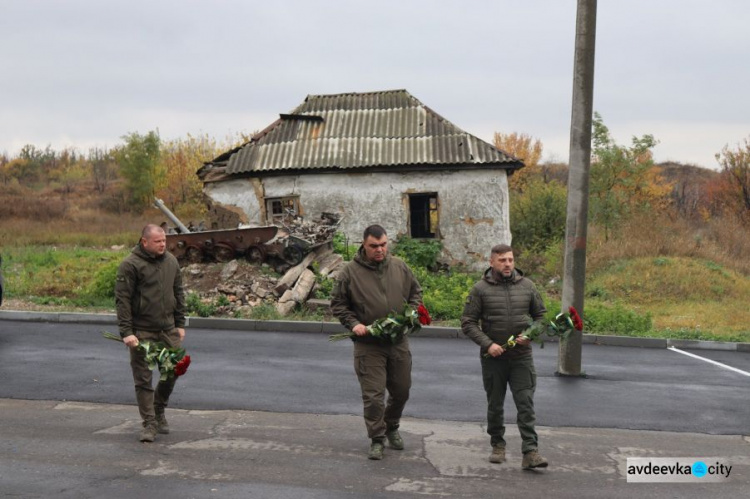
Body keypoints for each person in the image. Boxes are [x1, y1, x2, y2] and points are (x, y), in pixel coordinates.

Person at [331, 224, 422, 460]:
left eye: (383, 245)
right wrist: (354, 325)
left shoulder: (399, 266)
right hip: (368, 343)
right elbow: (339, 305)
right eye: (374, 246)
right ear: (364, 244)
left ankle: (391, 426)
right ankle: (377, 438)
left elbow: (415, 293)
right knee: (373, 396)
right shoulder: (349, 272)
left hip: (397, 341)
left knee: (402, 391)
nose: (380, 250)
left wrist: (410, 314)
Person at [461, 244, 549, 470]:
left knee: (526, 403)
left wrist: (531, 334)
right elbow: (468, 323)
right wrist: (488, 344)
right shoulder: (480, 289)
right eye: (502, 260)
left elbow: (540, 316)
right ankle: (497, 445)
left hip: (521, 357)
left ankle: (530, 452)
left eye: (510, 259)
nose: (508, 264)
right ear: (491, 262)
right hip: (494, 359)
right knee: (495, 404)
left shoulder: (528, 286)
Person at [115, 224, 187, 442]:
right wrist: (127, 332)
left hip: (168, 329)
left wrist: (180, 323)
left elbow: (178, 293)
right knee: (143, 379)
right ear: (144, 242)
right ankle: (149, 423)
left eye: (164, 240)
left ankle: (158, 408)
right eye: (157, 241)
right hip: (141, 331)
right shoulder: (130, 265)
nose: (163, 244)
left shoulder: (171, 262)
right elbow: (123, 300)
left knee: (174, 369)